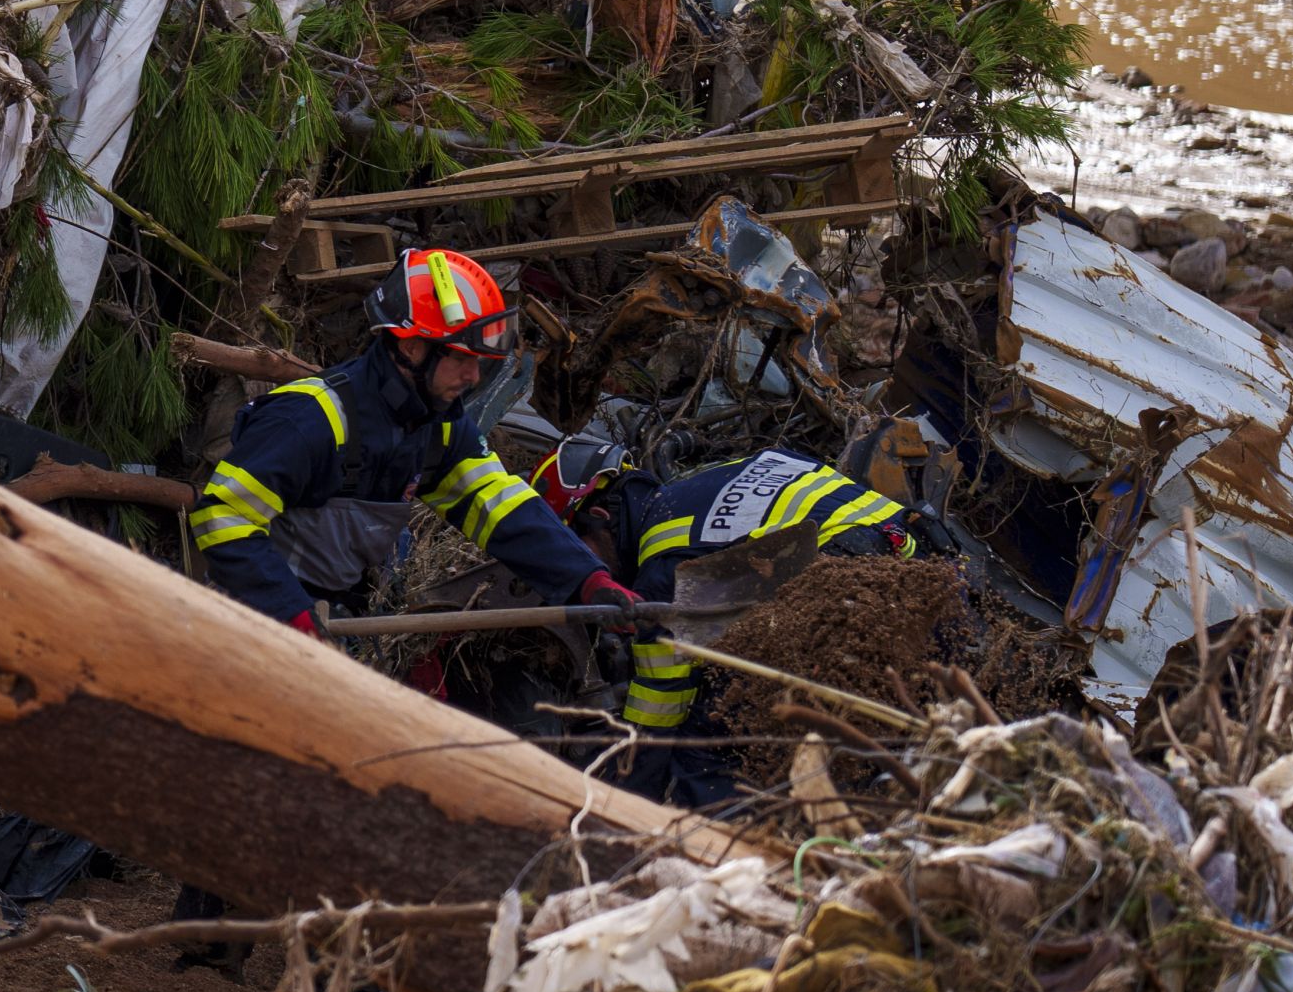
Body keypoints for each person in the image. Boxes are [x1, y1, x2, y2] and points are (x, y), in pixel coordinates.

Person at [193, 250, 638, 635]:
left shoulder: (437, 423)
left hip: (330, 611)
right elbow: (222, 515)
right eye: (462, 361)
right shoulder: (309, 419)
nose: (471, 378)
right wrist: (289, 613)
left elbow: (496, 505)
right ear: (411, 348)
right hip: (248, 612)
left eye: (481, 365)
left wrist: (587, 578)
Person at [569, 443, 918, 804]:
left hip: (849, 598)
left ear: (600, 517)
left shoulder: (661, 564)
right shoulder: (722, 471)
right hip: (920, 561)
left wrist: (625, 797)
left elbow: (660, 711)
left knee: (716, 733)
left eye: (578, 551)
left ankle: (710, 849)